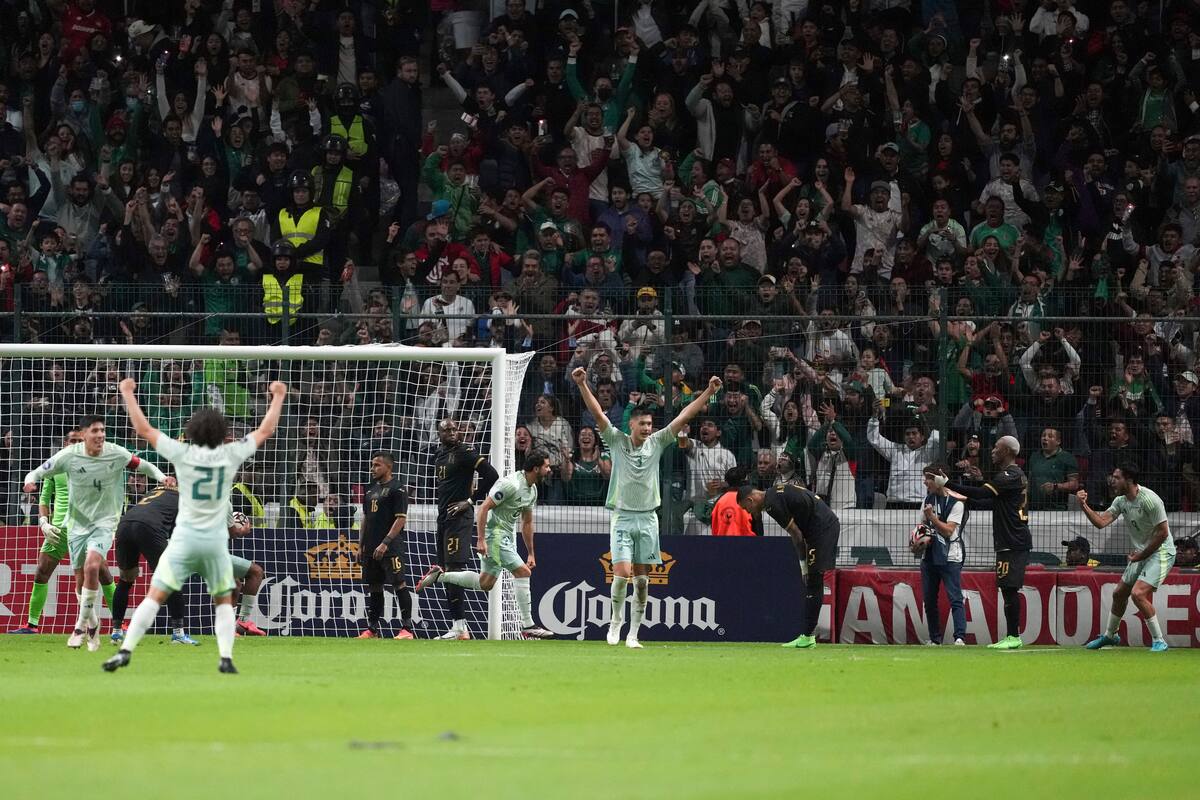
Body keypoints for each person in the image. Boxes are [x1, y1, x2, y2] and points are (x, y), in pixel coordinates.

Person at [103, 378, 286, 674]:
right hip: (214, 541)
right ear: (222, 434)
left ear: (191, 434)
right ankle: (226, 656)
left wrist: (127, 392)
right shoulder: (231, 455)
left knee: (155, 595)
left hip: (184, 539)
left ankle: (125, 650)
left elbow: (143, 430)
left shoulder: (182, 454)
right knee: (224, 598)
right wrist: (277, 396)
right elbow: (266, 430)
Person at [571, 366, 722, 649]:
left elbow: (684, 416)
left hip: (648, 519)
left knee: (641, 582)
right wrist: (581, 384)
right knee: (622, 575)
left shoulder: (658, 442)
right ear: (632, 425)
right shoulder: (616, 441)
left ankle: (634, 634)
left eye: (650, 425)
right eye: (643, 425)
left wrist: (709, 393)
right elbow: (598, 415)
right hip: (623, 518)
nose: (647, 429)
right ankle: (616, 621)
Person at [21, 416, 173, 651]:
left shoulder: (116, 453)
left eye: (102, 430)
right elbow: (37, 472)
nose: (100, 435)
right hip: (75, 526)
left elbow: (142, 465)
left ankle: (81, 626)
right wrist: (29, 482)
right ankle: (92, 626)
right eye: (95, 431)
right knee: (82, 581)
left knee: (94, 566)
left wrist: (163, 477)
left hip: (105, 523)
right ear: (83, 435)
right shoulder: (68, 456)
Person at [417, 452, 555, 639]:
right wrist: (481, 539)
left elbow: (527, 522)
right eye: (547, 466)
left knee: (486, 583)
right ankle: (528, 624)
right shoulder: (510, 484)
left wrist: (531, 553)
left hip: (504, 537)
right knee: (523, 572)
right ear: (536, 468)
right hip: (494, 536)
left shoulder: (532, 490)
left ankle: (439, 577)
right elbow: (484, 508)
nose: (549, 469)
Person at [110, 486, 266, 644]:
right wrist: (242, 530)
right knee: (254, 572)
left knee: (126, 579)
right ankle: (179, 633)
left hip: (125, 524)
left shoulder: (160, 492)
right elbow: (230, 533)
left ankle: (116, 632)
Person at [8, 428, 109, 635]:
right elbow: (44, 499)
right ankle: (31, 625)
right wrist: (44, 522)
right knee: (41, 572)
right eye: (72, 440)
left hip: (86, 530)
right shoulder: (55, 465)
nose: (74, 444)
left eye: (79, 441)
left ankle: (120, 624)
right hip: (59, 530)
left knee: (104, 574)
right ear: (65, 443)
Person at [944, 435, 1032, 650]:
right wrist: (960, 495)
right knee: (1006, 588)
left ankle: (1013, 636)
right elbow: (985, 499)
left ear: (1008, 452)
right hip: (1008, 539)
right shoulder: (1008, 476)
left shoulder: (1010, 474)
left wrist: (948, 483)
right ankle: (1012, 636)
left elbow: (982, 492)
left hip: (1013, 540)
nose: (992, 451)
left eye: (996, 447)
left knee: (1010, 589)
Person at [1076, 465, 1176, 653]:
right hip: (1141, 553)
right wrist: (1083, 505)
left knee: (1138, 594)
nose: (1112, 480)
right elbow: (1101, 522)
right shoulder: (1121, 501)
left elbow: (1163, 534)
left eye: (1116, 477)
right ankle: (1110, 635)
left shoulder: (1150, 500)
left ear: (1128, 479)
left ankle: (1159, 641)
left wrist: (1141, 555)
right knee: (1119, 593)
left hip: (1161, 552)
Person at [736, 480, 841, 649]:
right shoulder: (774, 492)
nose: (747, 512)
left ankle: (807, 637)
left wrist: (803, 565)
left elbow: (797, 535)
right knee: (813, 581)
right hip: (822, 525)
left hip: (822, 529)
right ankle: (807, 636)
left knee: (813, 581)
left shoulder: (771, 504)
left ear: (750, 500)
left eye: (745, 508)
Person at [431, 418, 500, 640]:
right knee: (444, 570)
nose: (451, 432)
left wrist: (470, 501)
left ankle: (461, 627)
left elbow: (492, 475)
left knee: (453, 569)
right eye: (446, 430)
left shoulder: (465, 452)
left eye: (454, 429)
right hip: (443, 519)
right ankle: (457, 626)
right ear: (439, 434)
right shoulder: (439, 455)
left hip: (460, 518)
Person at [355, 453, 415, 640]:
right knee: (374, 587)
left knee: (399, 584)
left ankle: (406, 629)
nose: (372, 468)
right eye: (372, 465)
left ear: (389, 467)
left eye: (377, 465)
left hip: (390, 547)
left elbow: (401, 519)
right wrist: (360, 545)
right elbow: (365, 518)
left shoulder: (398, 489)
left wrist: (385, 543)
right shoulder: (370, 490)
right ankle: (372, 629)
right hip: (371, 547)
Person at [916, 465, 967, 646]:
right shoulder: (927, 500)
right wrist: (918, 541)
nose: (925, 482)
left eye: (928, 478)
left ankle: (960, 637)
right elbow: (922, 527)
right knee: (929, 600)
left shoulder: (957, 503)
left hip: (950, 556)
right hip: (929, 556)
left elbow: (947, 531)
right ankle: (935, 638)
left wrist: (932, 517)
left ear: (939, 479)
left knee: (955, 598)